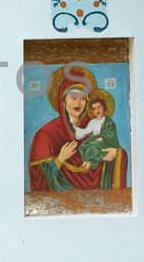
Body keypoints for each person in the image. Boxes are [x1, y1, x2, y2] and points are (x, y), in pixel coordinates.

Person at [27, 64, 125, 192]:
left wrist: (116, 153)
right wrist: (60, 159)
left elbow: (114, 151)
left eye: (83, 99)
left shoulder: (96, 125)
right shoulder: (46, 134)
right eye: (73, 98)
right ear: (63, 100)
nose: (78, 103)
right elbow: (37, 176)